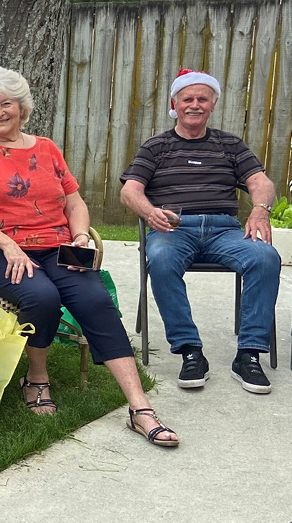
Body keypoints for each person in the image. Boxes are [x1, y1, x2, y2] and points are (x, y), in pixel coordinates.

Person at [0, 67, 178, 447]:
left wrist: (82, 235)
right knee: (43, 297)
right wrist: (7, 244)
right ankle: (37, 378)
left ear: (23, 108)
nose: (0, 112)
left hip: (55, 246)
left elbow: (73, 201)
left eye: (7, 103)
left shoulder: (47, 148)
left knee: (95, 299)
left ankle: (140, 407)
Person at [120, 69, 281, 395]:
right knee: (161, 258)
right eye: (187, 99)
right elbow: (130, 191)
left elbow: (260, 182)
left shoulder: (230, 144)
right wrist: (150, 212)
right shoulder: (156, 147)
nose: (194, 105)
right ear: (175, 103)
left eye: (202, 99)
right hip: (174, 228)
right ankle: (190, 351)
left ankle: (248, 355)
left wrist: (261, 209)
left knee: (265, 257)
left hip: (225, 230)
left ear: (212, 104)